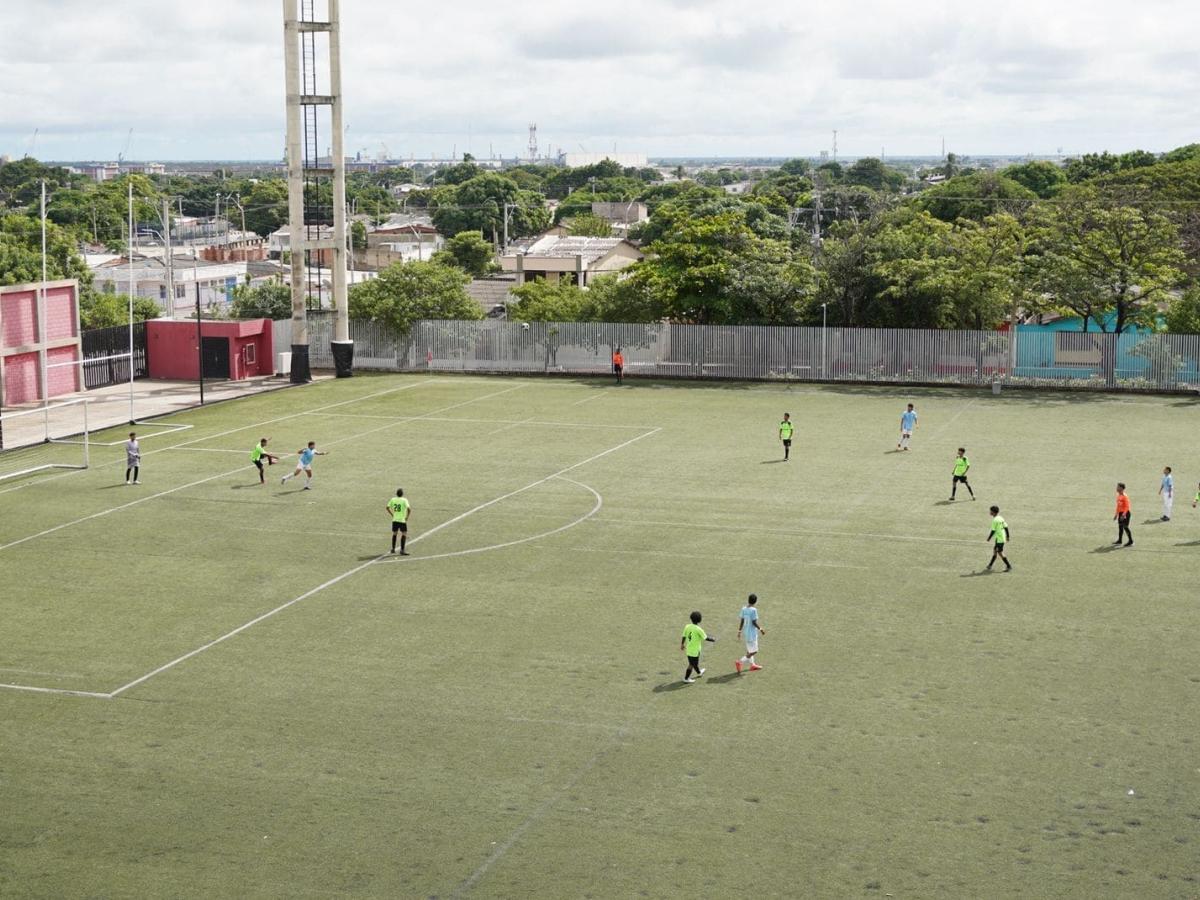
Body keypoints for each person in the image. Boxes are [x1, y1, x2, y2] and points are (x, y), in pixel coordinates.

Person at [680, 610, 716, 684]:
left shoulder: (687, 626)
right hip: (695, 651)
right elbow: (706, 638)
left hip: (689, 649)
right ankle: (686, 678)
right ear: (699, 620)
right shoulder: (698, 629)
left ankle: (699, 673)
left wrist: (682, 644)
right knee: (692, 664)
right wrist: (713, 639)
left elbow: (684, 636)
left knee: (694, 663)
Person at [735, 594, 765, 673]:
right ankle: (740, 662)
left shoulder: (744, 609)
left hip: (746, 633)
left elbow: (742, 621)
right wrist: (761, 629)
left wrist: (739, 631)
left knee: (749, 650)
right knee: (754, 651)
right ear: (755, 601)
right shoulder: (754, 610)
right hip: (752, 634)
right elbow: (754, 622)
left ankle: (752, 665)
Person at [986, 505, 1012, 571]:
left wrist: (989, 538)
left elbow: (993, 531)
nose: (990, 512)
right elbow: (1006, 527)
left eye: (990, 511)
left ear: (993, 512)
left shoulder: (995, 520)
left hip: (1000, 539)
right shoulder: (1000, 518)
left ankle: (1008, 566)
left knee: (1000, 553)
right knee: (995, 551)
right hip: (1000, 537)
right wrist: (1007, 536)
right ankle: (990, 565)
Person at [387, 488, 411, 555]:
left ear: (396, 494)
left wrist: (392, 514)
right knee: (404, 533)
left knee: (395, 533)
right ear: (402, 494)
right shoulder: (404, 500)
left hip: (395, 520)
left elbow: (387, 507)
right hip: (402, 520)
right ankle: (402, 550)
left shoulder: (393, 499)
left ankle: (393, 549)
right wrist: (407, 517)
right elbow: (409, 509)